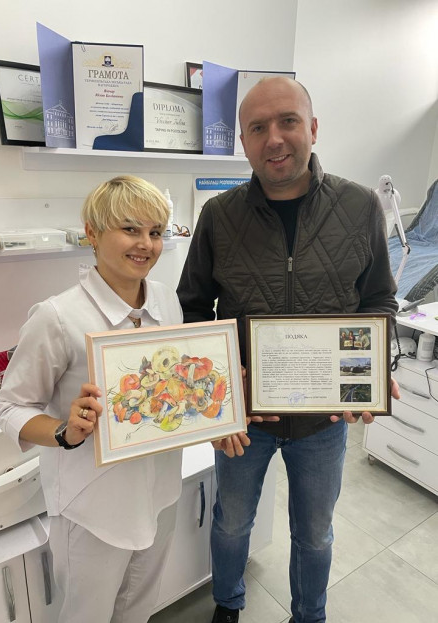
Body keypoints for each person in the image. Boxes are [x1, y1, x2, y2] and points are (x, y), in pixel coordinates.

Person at [177, 77, 400, 623]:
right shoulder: (218, 216)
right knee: (232, 522)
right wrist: (224, 384)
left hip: (324, 421)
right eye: (258, 128)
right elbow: (193, 308)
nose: (274, 138)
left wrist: (370, 370)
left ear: (313, 128)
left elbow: (378, 301)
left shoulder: (360, 206)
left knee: (316, 533)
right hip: (245, 418)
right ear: (244, 142)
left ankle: (309, 615)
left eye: (288, 121)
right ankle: (228, 604)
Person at [0, 176, 183, 623]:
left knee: (139, 607)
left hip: (160, 491)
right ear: (92, 233)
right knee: (87, 615)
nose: (146, 244)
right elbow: (11, 407)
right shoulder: (58, 317)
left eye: (155, 232)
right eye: (130, 229)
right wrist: (65, 430)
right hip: (94, 506)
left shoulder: (166, 300)